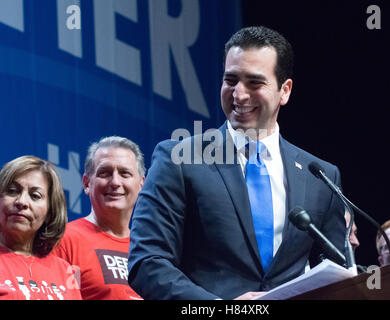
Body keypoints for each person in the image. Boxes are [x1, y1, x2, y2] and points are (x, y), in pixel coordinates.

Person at [128, 26, 346, 300]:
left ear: (285, 90)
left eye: (255, 83)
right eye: (231, 80)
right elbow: (147, 263)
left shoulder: (321, 176)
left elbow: (337, 274)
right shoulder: (178, 160)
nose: (239, 95)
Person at [53, 136, 145, 300]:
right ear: (87, 183)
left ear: (141, 185)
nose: (116, 182)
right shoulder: (65, 241)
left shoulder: (149, 249)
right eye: (105, 173)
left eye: (125, 173)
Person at [0, 155, 81, 300]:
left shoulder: (65, 270)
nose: (22, 201)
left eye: (35, 196)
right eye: (12, 191)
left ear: (50, 211)